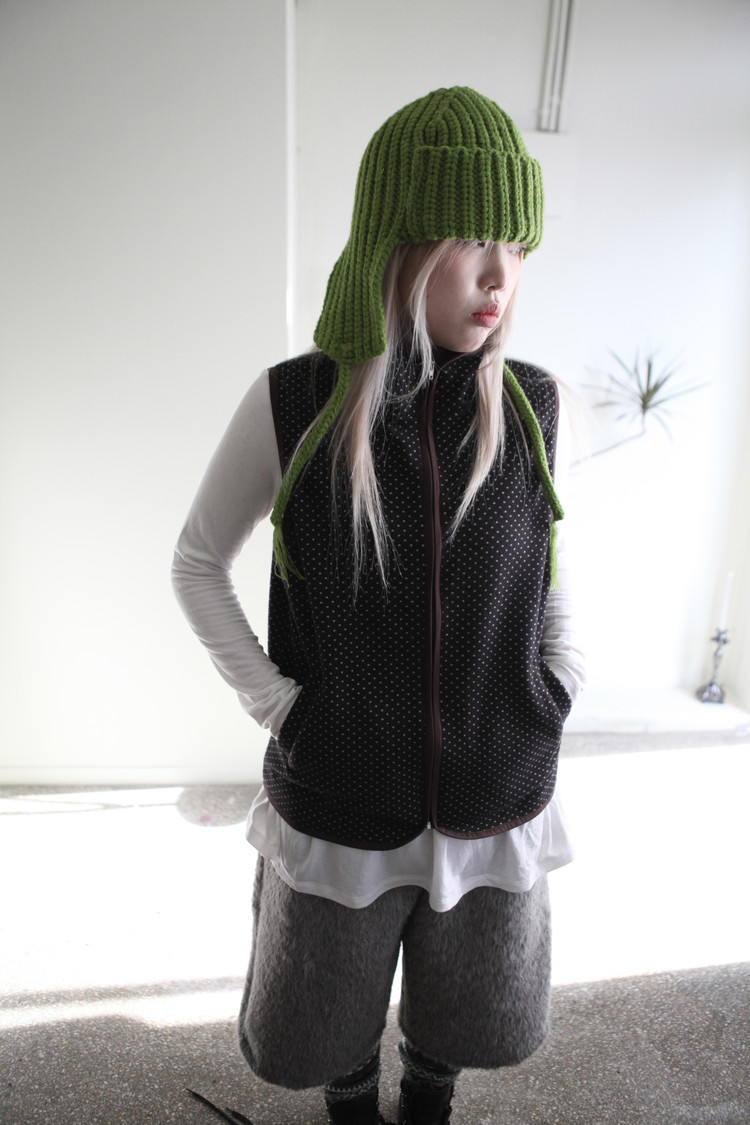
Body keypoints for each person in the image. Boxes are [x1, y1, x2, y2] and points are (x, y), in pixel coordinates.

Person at [172, 86, 586, 1125]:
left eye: (516, 246)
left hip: (495, 787)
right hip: (342, 797)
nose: (500, 276)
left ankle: (427, 1101)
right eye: (470, 241)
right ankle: (353, 1103)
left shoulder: (535, 406)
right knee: (317, 1021)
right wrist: (283, 709)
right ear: (398, 246)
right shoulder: (296, 404)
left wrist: (558, 684)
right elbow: (196, 563)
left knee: (472, 1012)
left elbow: (551, 566)